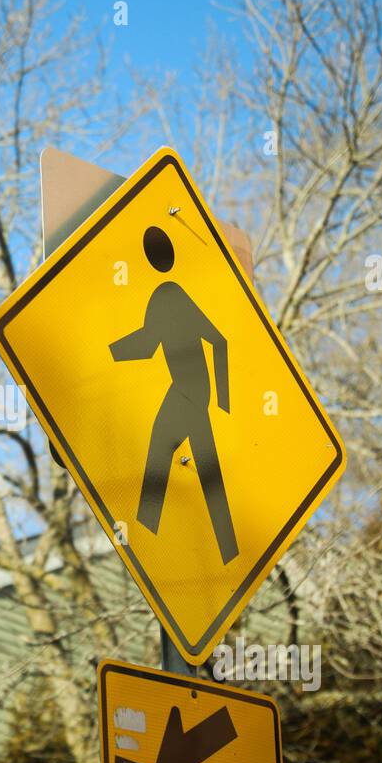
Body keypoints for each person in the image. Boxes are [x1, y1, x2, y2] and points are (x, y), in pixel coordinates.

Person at [109, 225, 239, 563]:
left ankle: (148, 539)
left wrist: (106, 352)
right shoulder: (174, 293)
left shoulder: (167, 295)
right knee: (206, 468)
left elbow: (149, 344)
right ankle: (229, 549)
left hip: (187, 391)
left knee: (160, 449)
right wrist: (218, 397)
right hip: (195, 389)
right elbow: (214, 341)